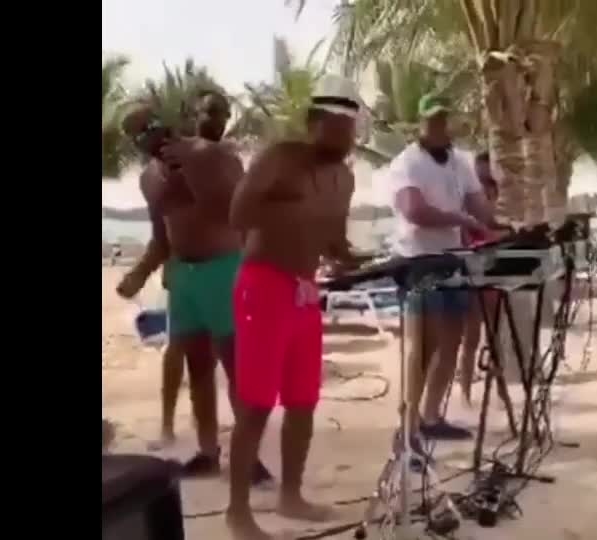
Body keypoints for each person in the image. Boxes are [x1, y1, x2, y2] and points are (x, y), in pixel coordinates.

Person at [226, 74, 360, 540]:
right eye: (336, 127)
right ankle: (237, 512)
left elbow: (335, 240)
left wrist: (353, 259)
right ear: (312, 123)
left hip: (305, 291)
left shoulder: (345, 178)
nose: (345, 138)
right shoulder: (280, 158)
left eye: (350, 129)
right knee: (256, 404)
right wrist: (291, 207)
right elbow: (238, 215)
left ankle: (291, 495)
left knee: (303, 400)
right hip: (263, 284)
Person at [117, 91, 273, 484]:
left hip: (224, 271)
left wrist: (192, 171)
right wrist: (139, 273)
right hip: (184, 277)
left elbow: (241, 212)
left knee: (237, 367)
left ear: (166, 121)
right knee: (198, 368)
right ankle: (208, 451)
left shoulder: (213, 155)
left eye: (150, 125)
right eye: (137, 134)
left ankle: (249, 457)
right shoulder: (149, 178)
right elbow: (161, 238)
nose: (148, 136)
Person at [387, 94, 494, 448]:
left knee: (451, 341)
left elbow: (479, 206)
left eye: (444, 120)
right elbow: (414, 211)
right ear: (420, 123)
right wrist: (460, 219)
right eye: (433, 120)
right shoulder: (406, 163)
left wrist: (503, 225)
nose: (439, 127)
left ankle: (431, 417)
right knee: (423, 346)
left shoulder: (460, 162)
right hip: (418, 262)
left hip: (453, 260)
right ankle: (408, 426)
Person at [456, 151, 507, 406]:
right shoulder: (467, 201)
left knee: (495, 337)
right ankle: (465, 392)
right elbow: (464, 237)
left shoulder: (500, 200)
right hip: (474, 271)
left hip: (494, 272)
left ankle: (499, 392)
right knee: (471, 338)